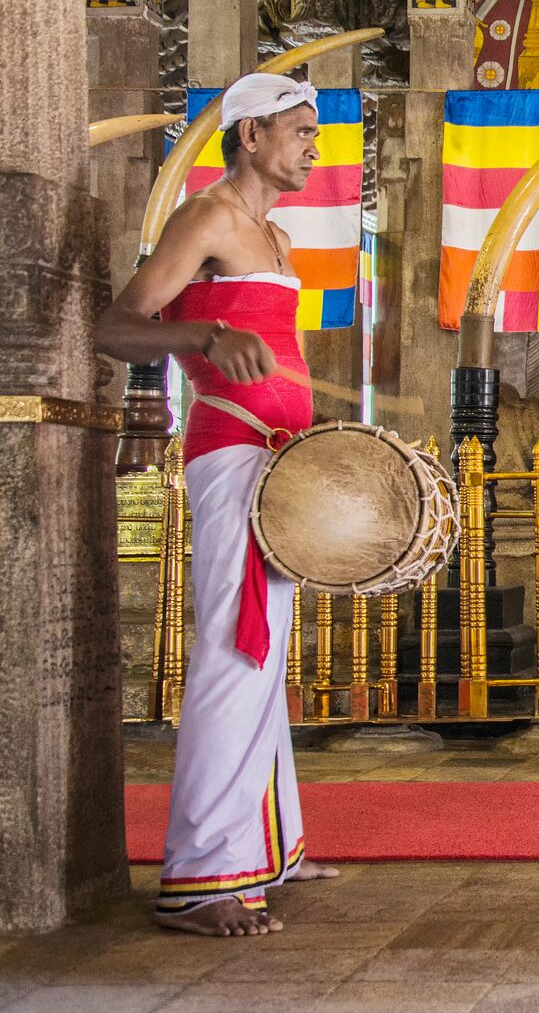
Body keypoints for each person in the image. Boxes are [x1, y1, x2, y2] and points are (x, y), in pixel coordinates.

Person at [97, 73, 340, 937]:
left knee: (264, 652)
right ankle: (200, 878)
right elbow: (116, 324)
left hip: (279, 460)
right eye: (299, 130)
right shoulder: (206, 217)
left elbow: (278, 350)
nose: (313, 145)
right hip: (230, 450)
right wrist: (202, 334)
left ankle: (268, 845)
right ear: (250, 136)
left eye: (314, 132)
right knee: (238, 647)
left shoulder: (276, 236)